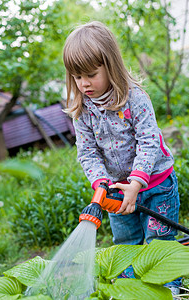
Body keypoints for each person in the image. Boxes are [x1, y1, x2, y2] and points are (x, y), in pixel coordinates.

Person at [63, 21, 181, 297]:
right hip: (117, 193)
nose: (84, 83)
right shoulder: (82, 111)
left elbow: (149, 141)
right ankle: (132, 292)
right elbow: (87, 152)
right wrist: (100, 182)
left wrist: (137, 182)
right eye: (77, 77)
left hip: (155, 187)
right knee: (125, 244)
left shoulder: (135, 99)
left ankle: (169, 291)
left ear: (111, 66)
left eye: (91, 74)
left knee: (158, 244)